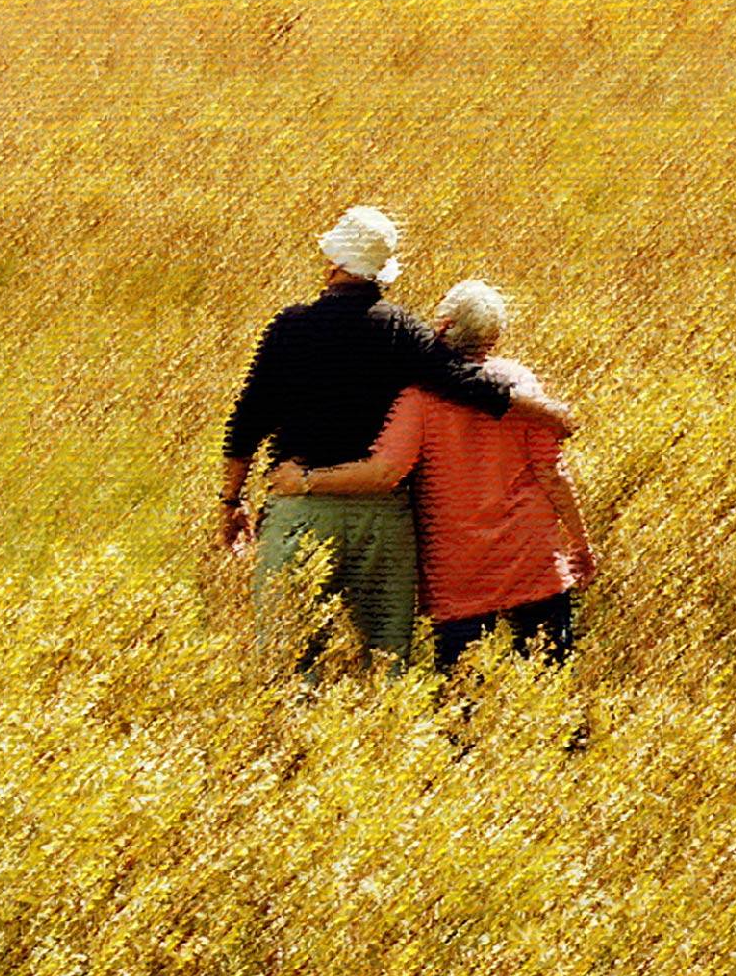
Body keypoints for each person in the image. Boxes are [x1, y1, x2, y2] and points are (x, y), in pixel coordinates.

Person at [220, 207, 573, 671]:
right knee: (388, 664)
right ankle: (384, 740)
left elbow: (246, 421)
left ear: (333, 264)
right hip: (382, 517)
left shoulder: (289, 327)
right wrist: (541, 410)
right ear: (380, 273)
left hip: (298, 505)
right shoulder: (402, 330)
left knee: (289, 660)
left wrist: (232, 502)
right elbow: (460, 380)